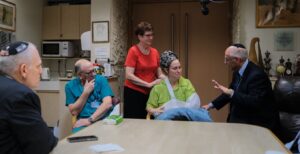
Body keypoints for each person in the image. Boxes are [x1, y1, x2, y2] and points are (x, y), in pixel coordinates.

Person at [202, 43, 279, 132]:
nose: (225, 62)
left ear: (238, 60)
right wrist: (210, 105)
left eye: (227, 59)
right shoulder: (237, 71)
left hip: (258, 126)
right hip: (241, 121)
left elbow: (254, 102)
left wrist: (231, 93)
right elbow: (229, 93)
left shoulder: (257, 75)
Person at [0, 41, 58, 154]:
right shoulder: (20, 96)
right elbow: (43, 145)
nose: (41, 71)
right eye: (38, 66)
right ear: (24, 70)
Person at [147, 51, 212, 121]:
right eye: (175, 68)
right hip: (165, 125)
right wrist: (154, 110)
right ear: (166, 70)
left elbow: (193, 105)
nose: (179, 71)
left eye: (180, 67)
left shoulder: (186, 83)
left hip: (185, 122)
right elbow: (149, 107)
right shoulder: (158, 88)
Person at [124, 21, 164, 119]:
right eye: (148, 35)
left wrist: (170, 79)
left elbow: (160, 74)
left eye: (152, 35)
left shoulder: (155, 52)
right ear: (140, 37)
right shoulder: (133, 51)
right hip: (134, 92)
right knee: (135, 122)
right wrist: (148, 84)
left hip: (151, 92)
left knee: (152, 120)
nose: (151, 38)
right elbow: (128, 75)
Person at [65, 59, 114, 132]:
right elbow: (74, 112)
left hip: (103, 119)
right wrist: (85, 93)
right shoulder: (70, 86)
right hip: (83, 122)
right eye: (89, 72)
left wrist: (90, 120)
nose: (93, 74)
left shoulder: (101, 80)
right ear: (80, 75)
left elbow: (107, 104)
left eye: (93, 70)